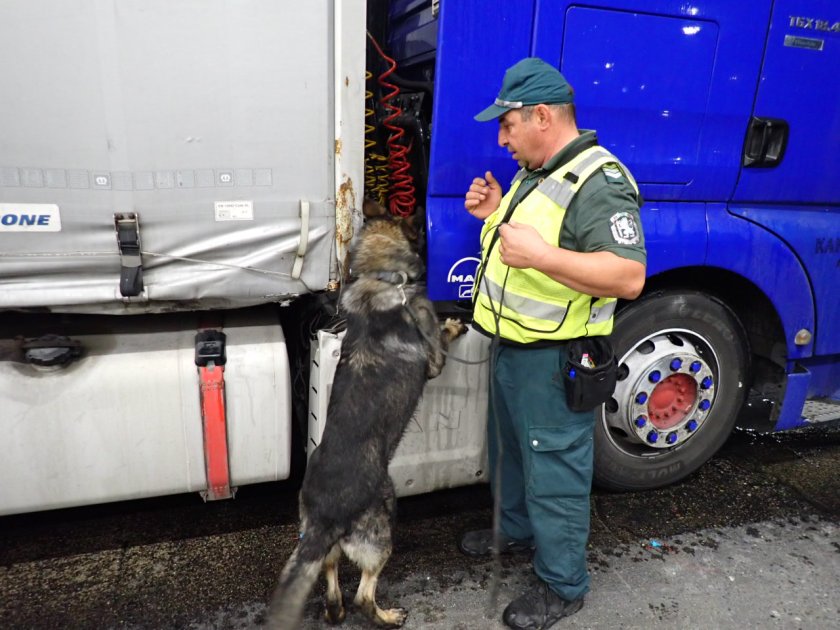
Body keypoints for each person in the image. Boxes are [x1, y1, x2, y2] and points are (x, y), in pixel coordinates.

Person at [460, 57, 646, 630]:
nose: (501, 139)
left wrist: (538, 255)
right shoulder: (539, 172)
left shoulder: (598, 181)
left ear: (541, 115)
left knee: (556, 470)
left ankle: (563, 584)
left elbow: (627, 276)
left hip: (556, 358)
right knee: (513, 453)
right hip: (516, 348)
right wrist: (494, 215)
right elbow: (523, 249)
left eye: (507, 125)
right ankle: (516, 530)